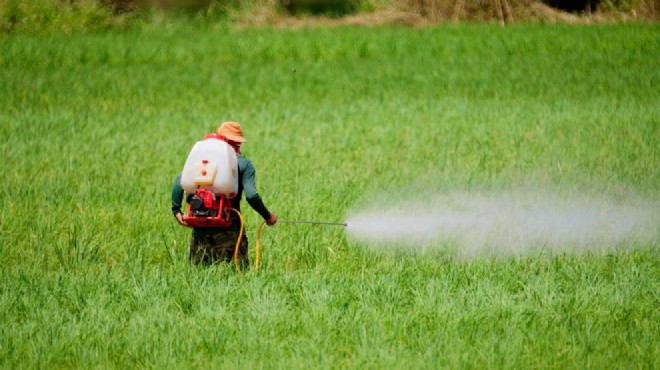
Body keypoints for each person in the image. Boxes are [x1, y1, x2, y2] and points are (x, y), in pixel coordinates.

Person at [171, 121, 277, 267]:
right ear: (238, 143)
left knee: (199, 281)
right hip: (230, 232)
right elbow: (252, 196)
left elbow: (179, 181)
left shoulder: (203, 162)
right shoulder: (244, 164)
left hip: (200, 232)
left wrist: (176, 210)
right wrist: (268, 216)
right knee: (237, 280)